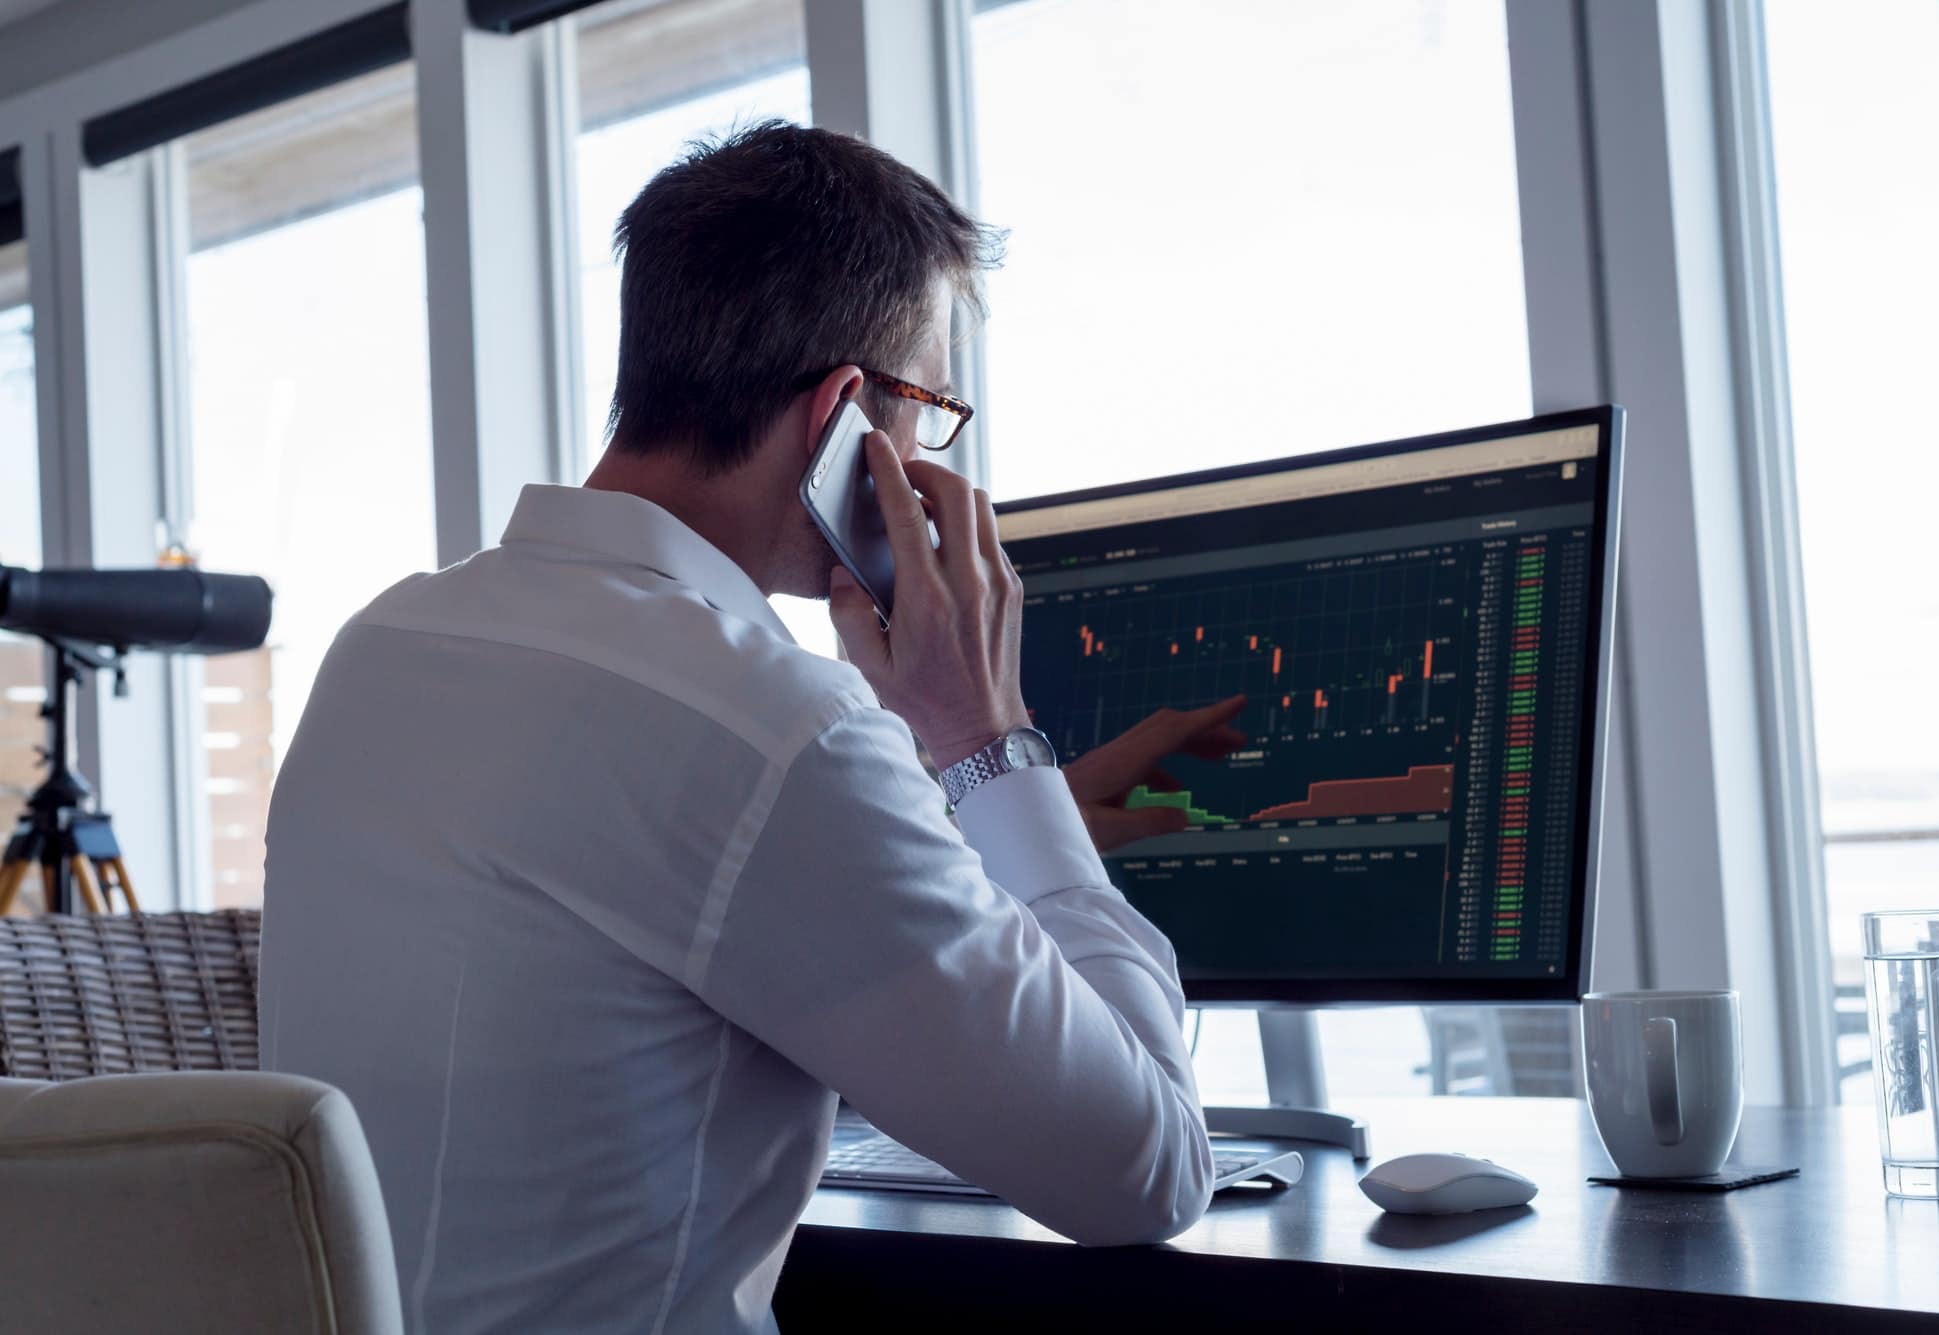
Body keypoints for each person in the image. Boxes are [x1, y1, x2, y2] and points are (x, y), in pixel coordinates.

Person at [259, 120, 1246, 1334]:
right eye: (930, 412)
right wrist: (984, 733)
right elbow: (1146, 1168)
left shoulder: (383, 644)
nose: (934, 457)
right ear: (843, 421)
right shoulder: (777, 725)